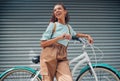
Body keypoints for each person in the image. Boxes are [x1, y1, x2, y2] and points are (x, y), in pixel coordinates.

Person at [40, 2, 93, 81]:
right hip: (49, 56)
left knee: (67, 79)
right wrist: (59, 37)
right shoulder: (53, 25)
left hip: (62, 56)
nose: (57, 11)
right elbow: (43, 43)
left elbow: (76, 34)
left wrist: (87, 36)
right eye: (55, 10)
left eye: (59, 8)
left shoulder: (68, 27)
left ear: (65, 11)